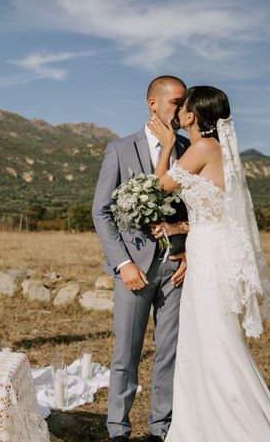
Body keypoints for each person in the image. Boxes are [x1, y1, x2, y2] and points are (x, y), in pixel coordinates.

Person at [148, 85, 270, 441]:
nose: (178, 113)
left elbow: (158, 187)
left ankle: (237, 426)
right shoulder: (217, 150)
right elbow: (211, 210)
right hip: (208, 244)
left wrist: (167, 145)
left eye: (182, 107)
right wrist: (179, 225)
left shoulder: (201, 147)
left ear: (191, 116)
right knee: (206, 336)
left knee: (215, 339)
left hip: (211, 255)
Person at [92, 75, 189, 441]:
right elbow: (101, 211)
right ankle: (118, 429)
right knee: (126, 354)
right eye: (174, 102)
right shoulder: (119, 148)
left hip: (176, 267)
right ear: (153, 103)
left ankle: (161, 428)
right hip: (134, 269)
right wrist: (123, 263)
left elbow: (198, 209)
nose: (180, 110)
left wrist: (187, 251)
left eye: (183, 104)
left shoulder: (187, 147)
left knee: (170, 351)